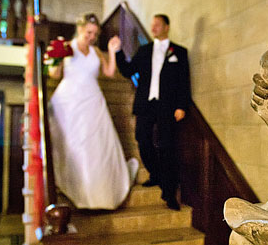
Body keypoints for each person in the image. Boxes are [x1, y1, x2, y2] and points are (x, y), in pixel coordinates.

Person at [47, 13, 139, 210]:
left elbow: (109, 73)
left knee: (96, 146)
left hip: (93, 99)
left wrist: (112, 51)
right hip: (69, 101)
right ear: (80, 29)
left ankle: (100, 195)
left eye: (95, 34)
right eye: (89, 32)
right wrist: (55, 59)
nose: (92, 37)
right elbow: (54, 75)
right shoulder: (66, 47)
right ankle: (79, 192)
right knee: (75, 145)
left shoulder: (96, 50)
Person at [111, 14, 191, 210]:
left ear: (166, 27)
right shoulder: (144, 50)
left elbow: (184, 81)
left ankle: (169, 192)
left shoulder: (179, 52)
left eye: (157, 24)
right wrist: (118, 51)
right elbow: (128, 71)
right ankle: (155, 173)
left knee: (166, 147)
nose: (153, 27)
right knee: (142, 139)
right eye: (152, 24)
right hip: (146, 104)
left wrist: (181, 105)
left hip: (168, 106)